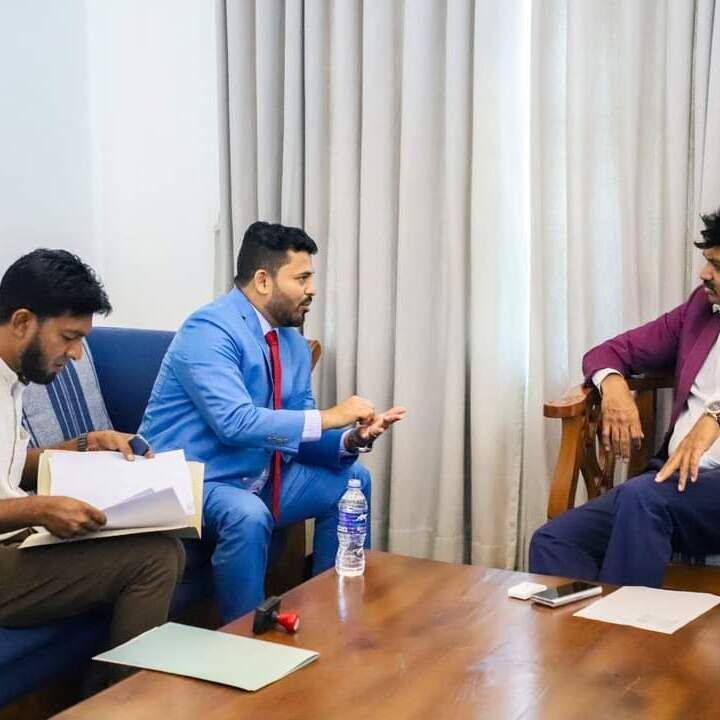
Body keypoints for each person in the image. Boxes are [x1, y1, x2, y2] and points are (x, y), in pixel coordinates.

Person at [140, 221, 405, 621]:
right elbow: (235, 423)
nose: (312, 289)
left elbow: (297, 432)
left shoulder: (292, 343)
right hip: (195, 481)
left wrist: (350, 439)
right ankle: (245, 638)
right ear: (263, 280)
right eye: (301, 278)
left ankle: (335, 618)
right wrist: (332, 415)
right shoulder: (208, 330)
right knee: (247, 514)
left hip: (257, 477)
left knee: (353, 480)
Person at [0, 249, 185, 667]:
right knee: (156, 560)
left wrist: (87, 445)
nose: (78, 353)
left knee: (163, 545)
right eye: (69, 337)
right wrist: (41, 508)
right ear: (22, 321)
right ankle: (125, 697)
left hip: (16, 536)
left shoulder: (13, 378)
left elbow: (10, 467)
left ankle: (108, 688)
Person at [530, 207, 720, 586]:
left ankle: (623, 625)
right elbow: (610, 351)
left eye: (715, 265)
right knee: (555, 540)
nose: (703, 273)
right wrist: (613, 385)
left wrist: (715, 415)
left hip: (687, 493)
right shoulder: (700, 310)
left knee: (641, 498)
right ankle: (588, 624)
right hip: (670, 482)